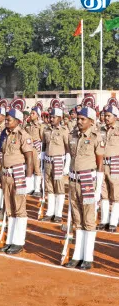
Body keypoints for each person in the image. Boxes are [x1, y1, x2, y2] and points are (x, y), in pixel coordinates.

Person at [64, 107, 104, 269]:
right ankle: (77, 255)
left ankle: (87, 257)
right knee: (77, 219)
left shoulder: (96, 138)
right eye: (78, 119)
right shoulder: (72, 135)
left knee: (88, 220)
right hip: (73, 181)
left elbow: (100, 164)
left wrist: (98, 189)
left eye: (83, 119)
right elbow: (70, 156)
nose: (79, 121)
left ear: (91, 121)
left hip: (88, 180)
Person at [0, 101, 35, 255]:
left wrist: (29, 179)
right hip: (6, 175)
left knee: (19, 209)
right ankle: (10, 240)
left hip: (18, 175)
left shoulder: (23, 136)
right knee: (10, 208)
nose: (6, 121)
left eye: (9, 119)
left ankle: (19, 241)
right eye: (6, 119)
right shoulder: (5, 135)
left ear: (18, 121)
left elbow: (29, 159)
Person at [41, 106, 70, 223]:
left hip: (58, 161)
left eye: (54, 117)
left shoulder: (64, 130)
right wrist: (42, 161)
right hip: (48, 161)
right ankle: (50, 212)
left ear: (60, 118)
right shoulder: (46, 130)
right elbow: (44, 146)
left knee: (59, 188)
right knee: (49, 188)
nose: (51, 119)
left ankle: (58, 214)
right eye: (50, 117)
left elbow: (68, 149)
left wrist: (67, 165)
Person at [100, 101, 119, 232]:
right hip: (103, 164)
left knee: (116, 193)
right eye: (105, 115)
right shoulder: (100, 129)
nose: (106, 118)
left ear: (115, 117)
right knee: (104, 193)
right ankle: (104, 220)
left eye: (109, 116)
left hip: (115, 164)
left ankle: (113, 221)